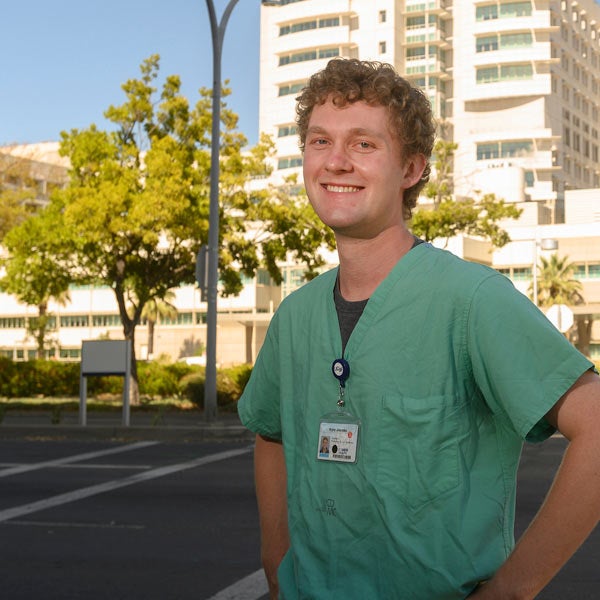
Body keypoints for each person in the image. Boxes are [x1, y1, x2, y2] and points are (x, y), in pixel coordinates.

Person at [237, 58, 600, 599]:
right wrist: (276, 559)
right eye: (319, 141)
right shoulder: (295, 316)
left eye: (363, 144)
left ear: (410, 169)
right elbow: (271, 433)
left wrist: (510, 592)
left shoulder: (472, 301)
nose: (335, 160)